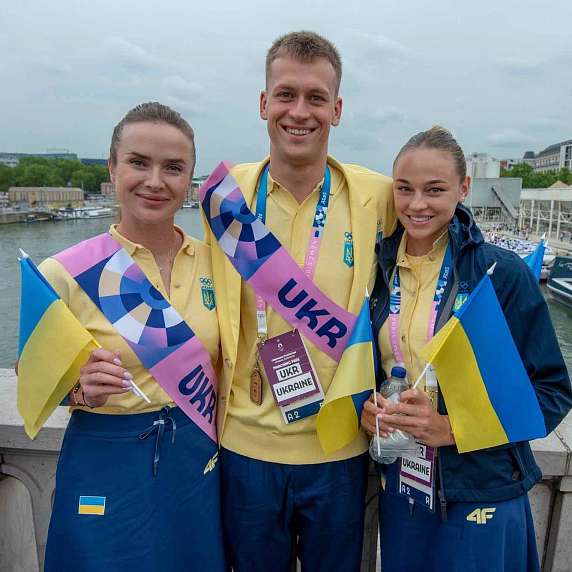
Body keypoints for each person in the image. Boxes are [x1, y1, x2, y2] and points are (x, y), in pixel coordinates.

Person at [202, 31, 394, 571]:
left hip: (340, 448)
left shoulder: (378, 196)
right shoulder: (224, 198)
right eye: (285, 94)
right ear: (264, 103)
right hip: (244, 447)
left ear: (337, 109)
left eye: (315, 98)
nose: (299, 112)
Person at [362, 126, 572, 572]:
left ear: (464, 188)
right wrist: (368, 408)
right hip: (404, 480)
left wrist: (452, 429)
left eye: (434, 190)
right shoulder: (377, 269)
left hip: (483, 483)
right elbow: (374, 363)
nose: (417, 204)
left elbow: (552, 391)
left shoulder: (502, 273)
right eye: (405, 189)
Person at [41, 102, 227, 571]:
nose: (155, 181)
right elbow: (31, 375)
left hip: (196, 456)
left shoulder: (219, 266)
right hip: (105, 456)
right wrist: (76, 385)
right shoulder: (63, 272)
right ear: (112, 167)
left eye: (173, 168)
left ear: (190, 180)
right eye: (138, 162)